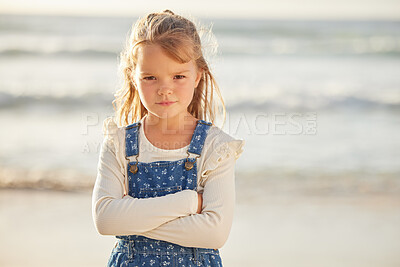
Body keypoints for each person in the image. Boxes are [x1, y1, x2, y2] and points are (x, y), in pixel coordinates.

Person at [92, 9, 245, 267]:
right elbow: (105, 220)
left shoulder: (216, 147)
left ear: (198, 75)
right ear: (133, 77)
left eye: (178, 76)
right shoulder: (118, 143)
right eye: (150, 77)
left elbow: (214, 233)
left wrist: (131, 219)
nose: (165, 88)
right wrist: (186, 202)